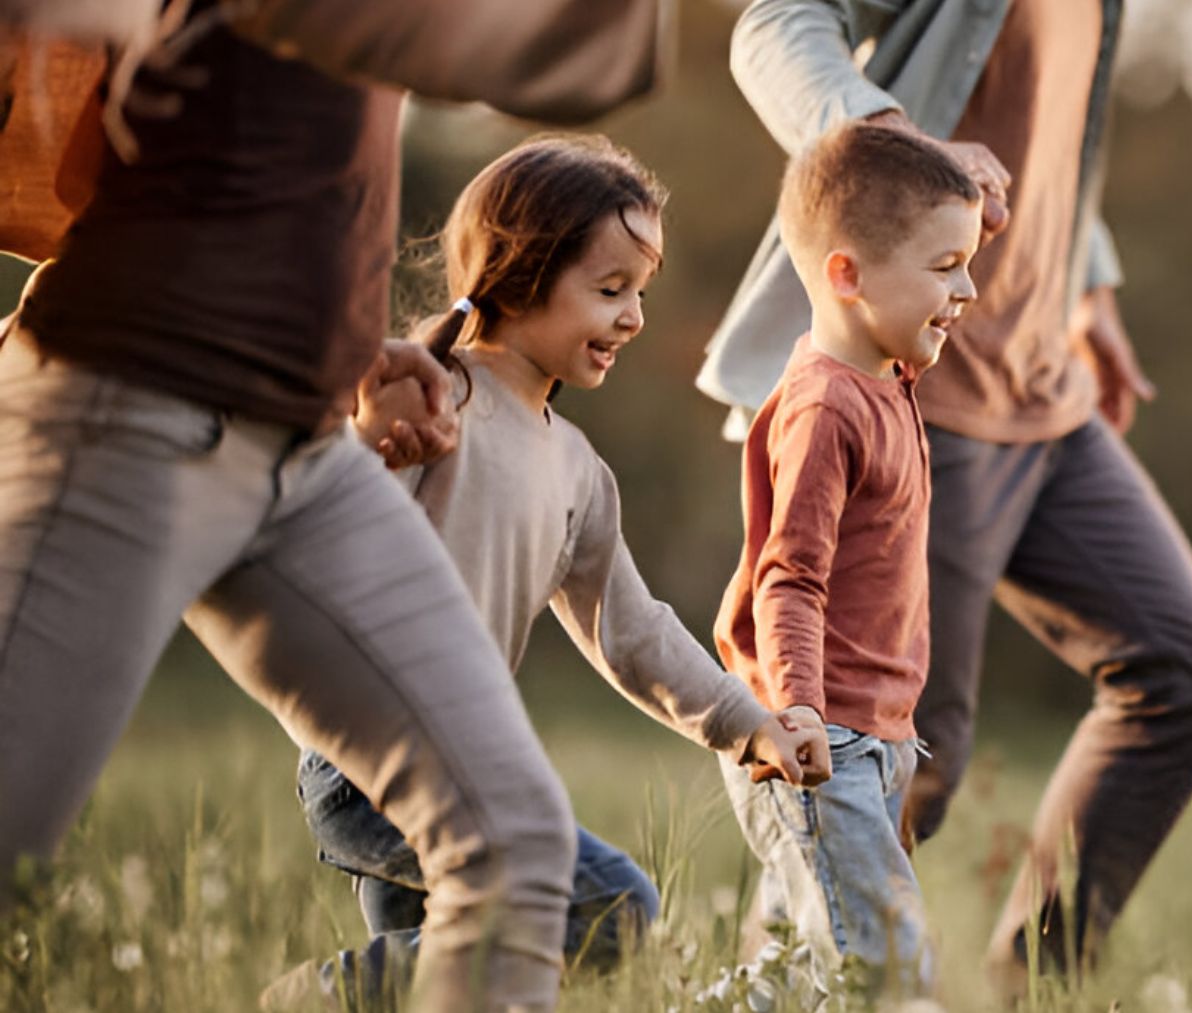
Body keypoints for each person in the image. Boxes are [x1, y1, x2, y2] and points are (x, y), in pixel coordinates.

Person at [0, 1, 666, 1008]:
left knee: (517, 851)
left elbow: (269, 165)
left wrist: (345, 349)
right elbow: (554, 53)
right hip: (126, 408)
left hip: (301, 441)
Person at [696, 0, 1192, 985]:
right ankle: (796, 988)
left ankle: (1033, 986)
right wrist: (885, 134)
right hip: (918, 403)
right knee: (898, 760)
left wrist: (1089, 289)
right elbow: (776, 22)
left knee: (1188, 672)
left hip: (1047, 387)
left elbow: (1045, 140)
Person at [274, 134, 832, 1007]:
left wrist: (747, 721)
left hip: (459, 756)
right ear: (521, 274)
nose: (634, 318)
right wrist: (367, 439)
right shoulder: (432, 395)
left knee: (451, 992)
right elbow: (325, 521)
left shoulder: (577, 470)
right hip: (371, 755)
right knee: (611, 909)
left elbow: (635, 630)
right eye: (610, 291)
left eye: (639, 294)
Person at [713, 121, 981, 997]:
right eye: (948, 269)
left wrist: (947, 244)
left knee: (792, 973)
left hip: (875, 735)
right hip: (820, 735)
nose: (968, 288)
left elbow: (909, 240)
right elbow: (788, 575)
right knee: (889, 969)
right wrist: (796, 708)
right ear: (847, 275)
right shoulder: (826, 407)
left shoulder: (889, 374)